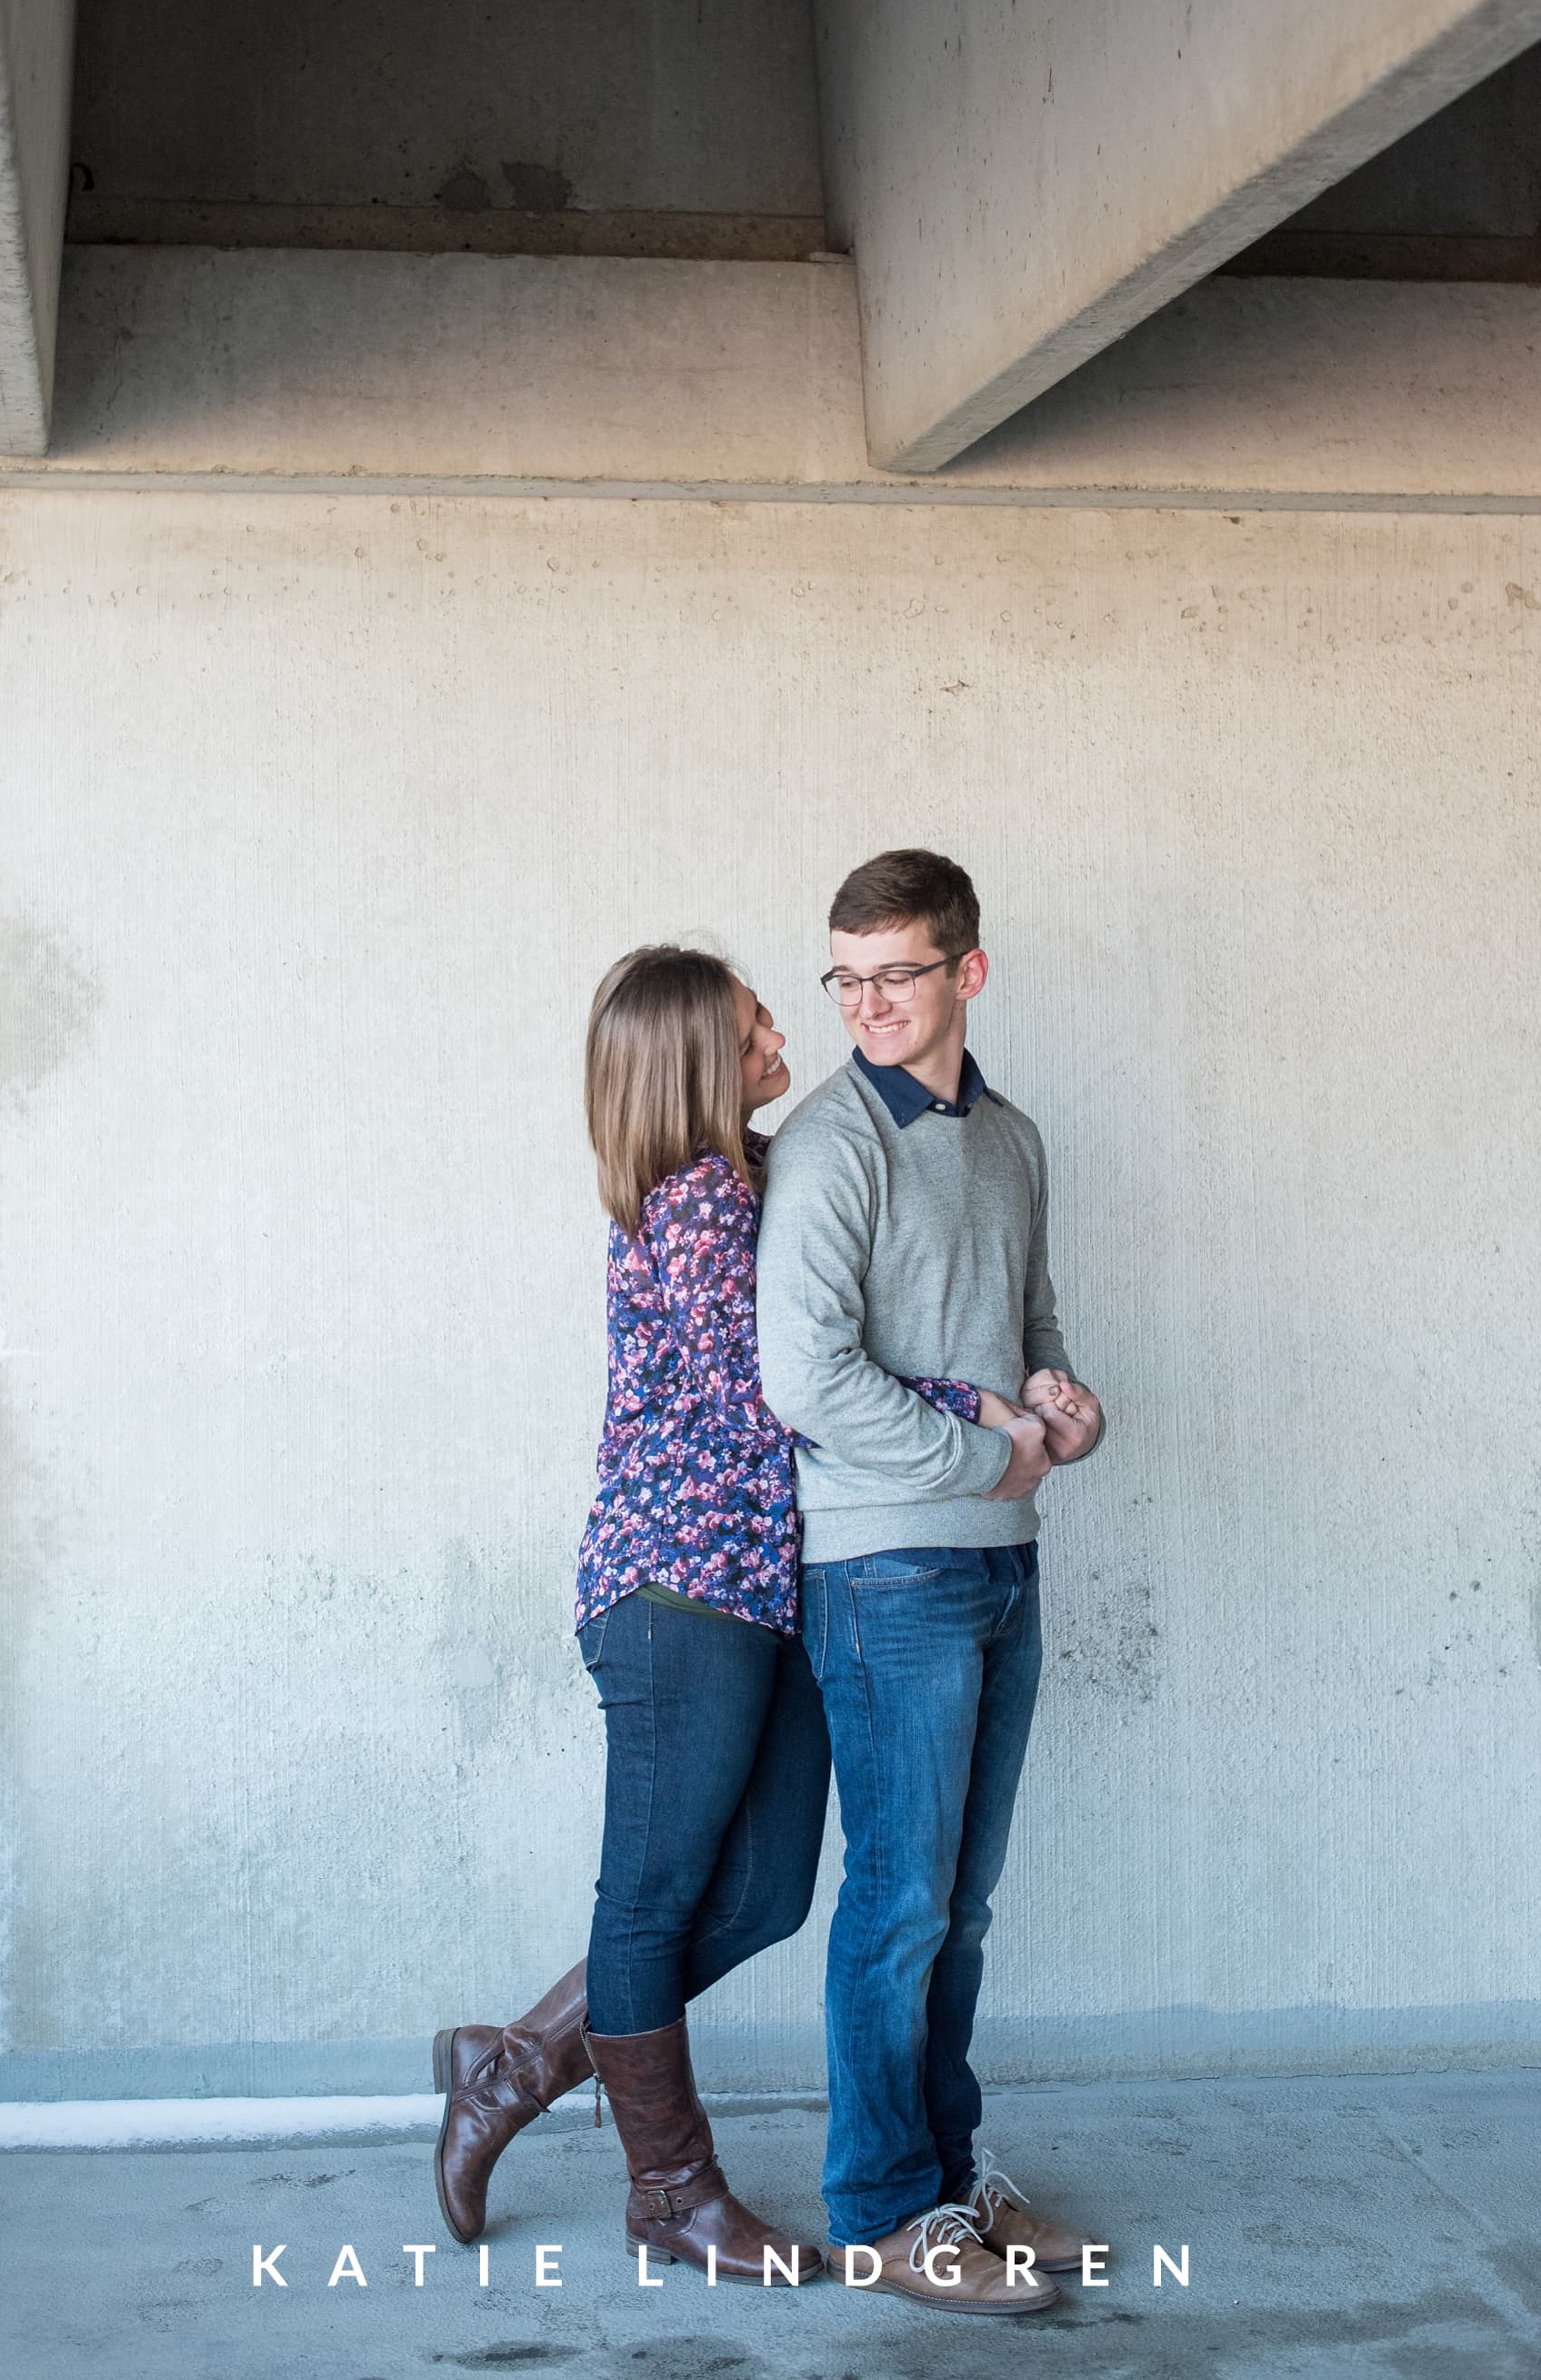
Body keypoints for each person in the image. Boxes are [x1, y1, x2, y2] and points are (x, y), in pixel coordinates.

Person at [434, 946, 1027, 2279]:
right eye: (752, 1014)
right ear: (701, 1052)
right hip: (676, 1595)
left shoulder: (753, 1176)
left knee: (763, 1894)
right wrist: (969, 1406)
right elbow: (788, 1385)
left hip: (757, 1592)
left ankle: (516, 2062)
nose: (778, 1024)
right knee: (646, 1910)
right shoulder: (700, 1200)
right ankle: (670, 2193)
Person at [755, 849, 1106, 2318]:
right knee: (898, 1903)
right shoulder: (837, 1144)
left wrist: (1065, 1408)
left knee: (960, 1906)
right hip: (883, 1566)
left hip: (996, 1561)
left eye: (896, 972)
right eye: (844, 976)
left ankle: (949, 2176)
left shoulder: (1012, 1139)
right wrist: (986, 1461)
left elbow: (1027, 1329)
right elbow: (803, 1376)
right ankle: (884, 2211)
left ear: (967, 971)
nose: (866, 1003)